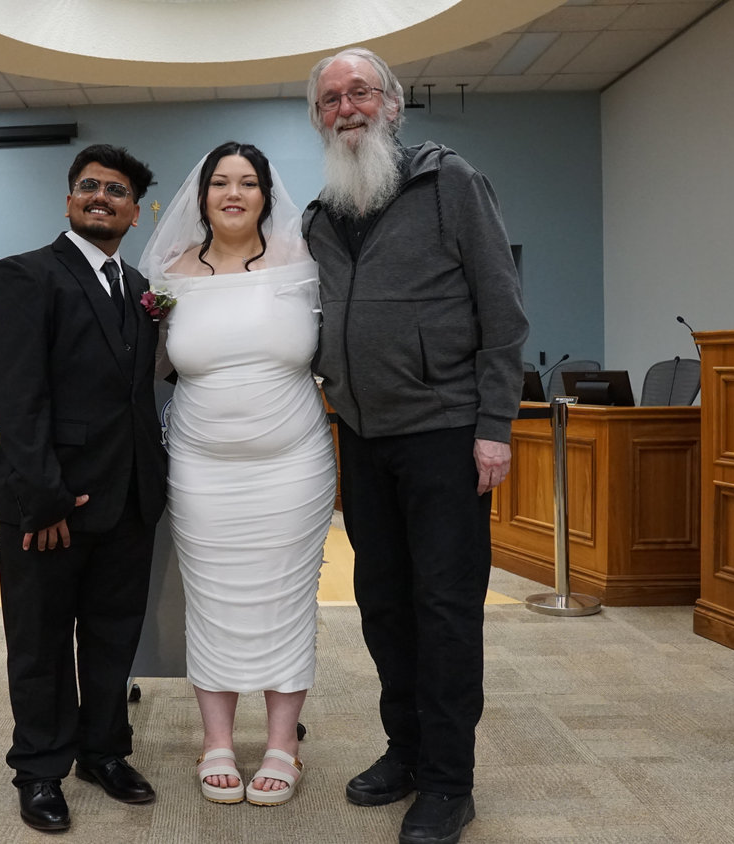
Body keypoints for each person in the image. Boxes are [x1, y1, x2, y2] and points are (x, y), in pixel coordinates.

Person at [301, 48, 529, 844]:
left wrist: (495, 427)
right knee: (385, 605)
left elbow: (503, 312)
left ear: (394, 105)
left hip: (444, 433)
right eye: (330, 99)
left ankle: (448, 780)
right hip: (361, 439)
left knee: (445, 608)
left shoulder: (450, 182)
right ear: (318, 118)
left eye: (360, 92)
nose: (346, 108)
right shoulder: (319, 214)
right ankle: (404, 748)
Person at [139, 142, 335, 807]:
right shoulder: (168, 275)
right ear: (202, 197)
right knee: (212, 599)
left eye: (247, 183)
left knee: (286, 598)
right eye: (220, 182)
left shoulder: (305, 265)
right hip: (201, 469)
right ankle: (216, 740)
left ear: (265, 195)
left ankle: (284, 744)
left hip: (294, 466)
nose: (232, 192)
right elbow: (151, 368)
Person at [0, 144, 167, 833]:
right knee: (40, 642)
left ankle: (103, 750)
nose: (100, 197)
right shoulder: (26, 275)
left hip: (130, 497)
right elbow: (17, 395)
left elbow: (133, 397)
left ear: (135, 211)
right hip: (51, 502)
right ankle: (38, 768)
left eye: (115, 191)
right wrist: (44, 497)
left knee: (115, 637)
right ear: (68, 201)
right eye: (88, 187)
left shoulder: (141, 285)